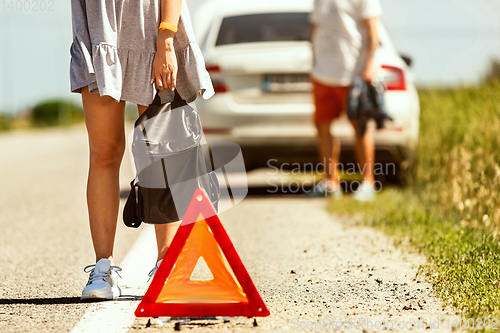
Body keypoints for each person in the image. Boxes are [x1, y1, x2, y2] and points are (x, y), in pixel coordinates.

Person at [69, 0, 214, 300]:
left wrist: (167, 38)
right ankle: (103, 268)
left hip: (154, 30)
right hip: (100, 34)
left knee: (161, 153)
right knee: (103, 152)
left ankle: (166, 264)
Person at [309, 0, 382, 201]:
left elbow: (373, 32)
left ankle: (368, 182)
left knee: (360, 127)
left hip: (352, 73)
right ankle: (331, 182)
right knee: (322, 126)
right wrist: (313, 62)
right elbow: (315, 27)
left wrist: (368, 66)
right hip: (322, 73)